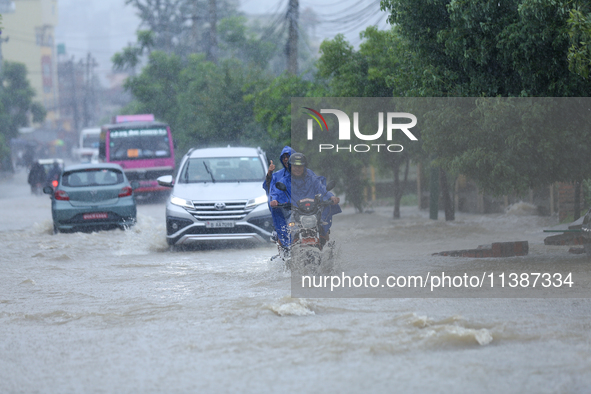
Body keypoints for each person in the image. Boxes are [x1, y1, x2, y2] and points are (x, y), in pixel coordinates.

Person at [270, 152, 341, 248]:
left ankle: (326, 249)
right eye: (295, 166)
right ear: (290, 166)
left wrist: (331, 197)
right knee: (287, 230)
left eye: (300, 166)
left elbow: (322, 189)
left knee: (323, 226)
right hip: (293, 211)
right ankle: (286, 250)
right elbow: (276, 193)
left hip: (311, 211)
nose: (297, 169)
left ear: (304, 167)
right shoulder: (284, 181)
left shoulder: (312, 179)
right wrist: (275, 200)